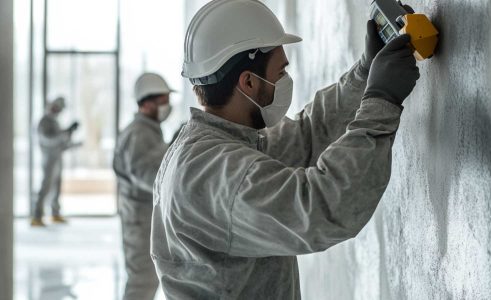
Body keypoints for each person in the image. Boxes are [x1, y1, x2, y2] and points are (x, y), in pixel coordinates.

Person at [151, 0, 420, 299]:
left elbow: (308, 135)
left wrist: (364, 74)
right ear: (249, 82)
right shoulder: (217, 174)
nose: (284, 80)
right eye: (280, 72)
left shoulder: (211, 147)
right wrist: (382, 100)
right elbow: (322, 207)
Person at [113, 72, 174, 300]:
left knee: (146, 278)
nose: (167, 106)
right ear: (146, 103)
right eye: (163, 101)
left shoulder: (147, 130)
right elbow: (145, 174)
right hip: (139, 219)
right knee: (142, 280)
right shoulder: (139, 133)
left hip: (143, 217)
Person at [31, 96, 80, 227]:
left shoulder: (54, 122)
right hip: (49, 159)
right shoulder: (44, 122)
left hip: (57, 158)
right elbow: (49, 139)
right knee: (45, 187)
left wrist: (70, 135)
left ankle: (55, 213)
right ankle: (37, 216)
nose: (58, 111)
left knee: (56, 187)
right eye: (57, 108)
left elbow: (61, 143)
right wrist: (64, 134)